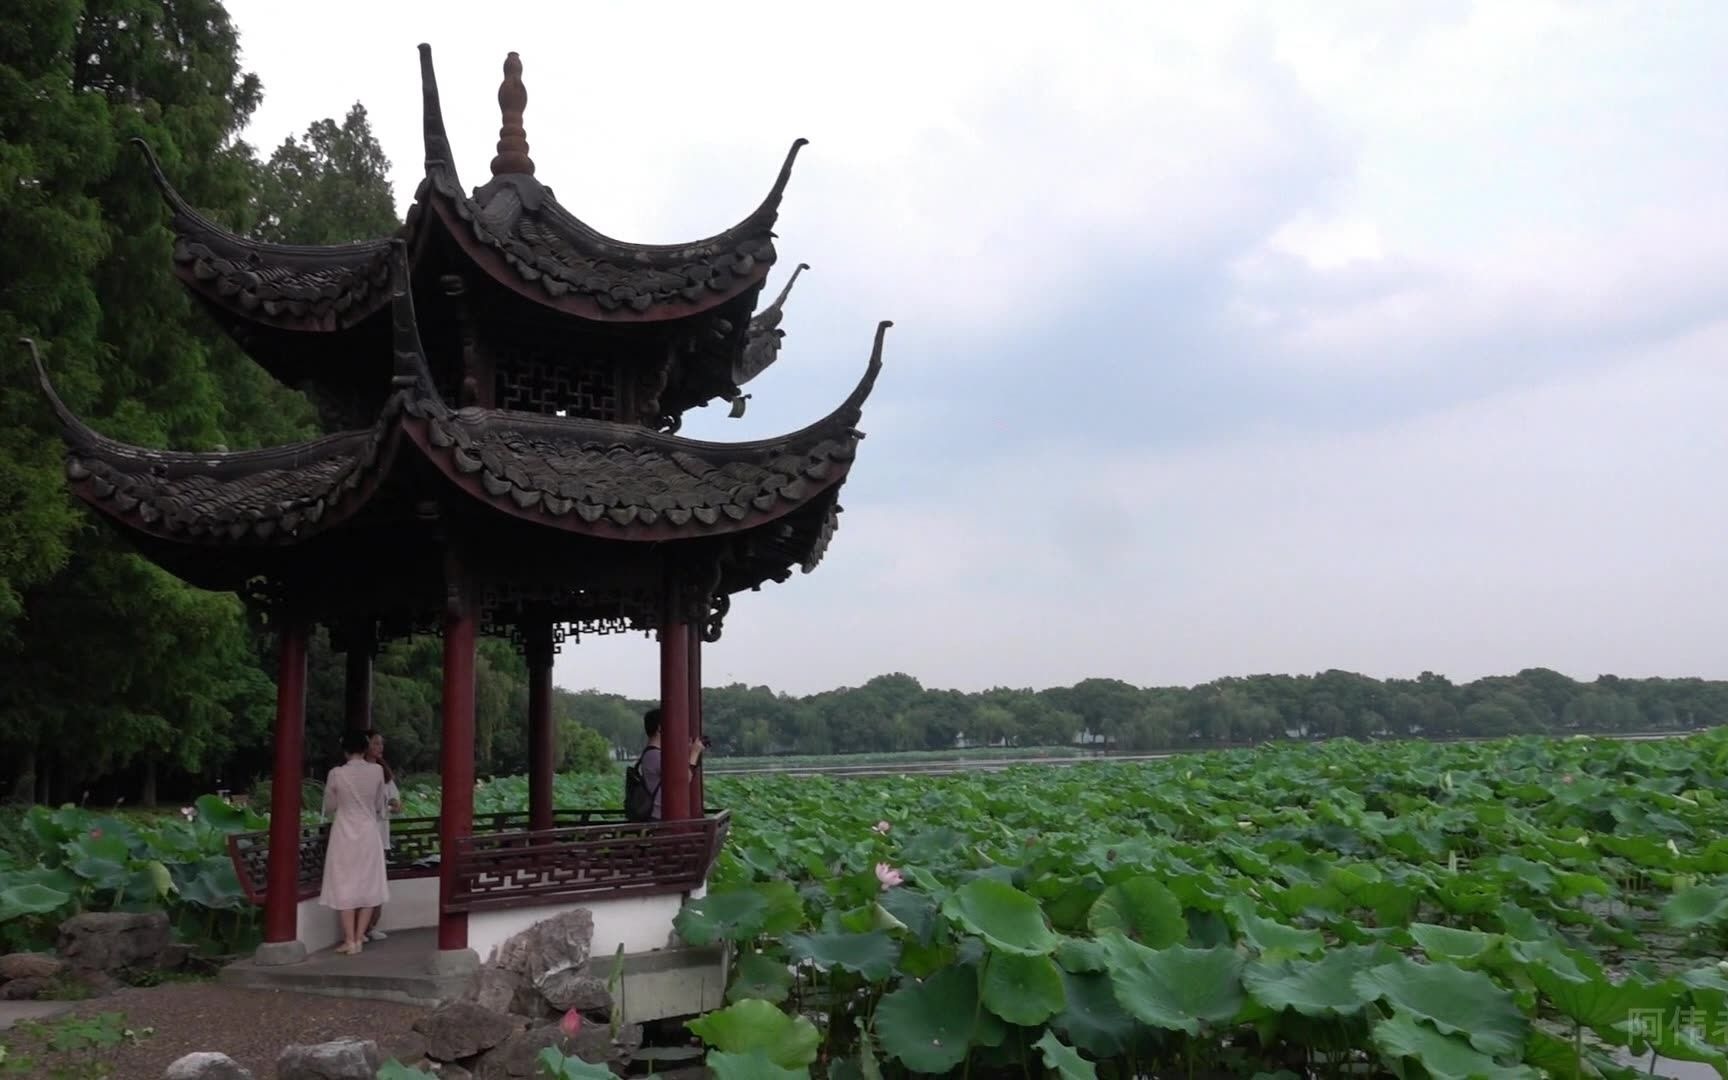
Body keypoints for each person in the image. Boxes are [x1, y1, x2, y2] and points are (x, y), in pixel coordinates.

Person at [318, 729, 390, 955]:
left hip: (344, 832)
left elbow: (329, 807)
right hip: (369, 832)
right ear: (365, 748)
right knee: (369, 883)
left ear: (345, 750)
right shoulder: (377, 771)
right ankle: (360, 938)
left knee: (344, 882)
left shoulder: (336, 774)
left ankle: (349, 940)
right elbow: (380, 805)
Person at [627, 707, 705, 821]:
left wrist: (688, 754)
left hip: (661, 817)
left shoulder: (657, 754)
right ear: (660, 727)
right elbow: (683, 779)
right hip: (657, 818)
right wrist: (694, 753)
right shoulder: (654, 755)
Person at [361, 729, 401, 943]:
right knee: (361, 881)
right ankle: (359, 927)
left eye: (381, 744)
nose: (379, 747)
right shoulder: (355, 772)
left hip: (380, 833)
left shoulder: (383, 772)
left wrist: (391, 805)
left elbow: (396, 803)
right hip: (361, 833)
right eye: (376, 743)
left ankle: (372, 925)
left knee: (377, 882)